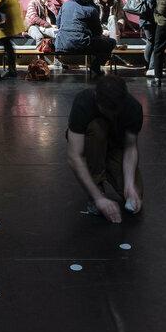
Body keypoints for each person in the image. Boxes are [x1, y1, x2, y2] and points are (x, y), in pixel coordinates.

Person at [66, 75, 143, 224]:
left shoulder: (132, 107)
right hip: (91, 145)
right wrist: (98, 198)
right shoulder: (83, 102)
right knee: (97, 127)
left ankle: (107, 168)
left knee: (136, 196)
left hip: (114, 148)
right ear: (96, 98)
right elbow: (74, 156)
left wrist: (129, 185)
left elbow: (130, 147)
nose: (111, 114)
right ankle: (97, 185)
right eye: (106, 110)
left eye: (115, 111)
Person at [55, 0, 114, 80]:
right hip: (82, 45)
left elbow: (58, 24)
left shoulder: (66, 4)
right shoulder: (92, 9)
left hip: (61, 44)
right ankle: (95, 66)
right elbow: (97, 32)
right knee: (111, 42)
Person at [25, 0, 63, 67]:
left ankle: (57, 60)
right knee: (39, 36)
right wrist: (48, 25)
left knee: (58, 34)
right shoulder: (33, 3)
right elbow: (33, 17)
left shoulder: (50, 4)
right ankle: (41, 62)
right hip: (33, 26)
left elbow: (64, 6)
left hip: (45, 26)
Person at [137, 0, 157, 75]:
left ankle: (149, 66)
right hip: (147, 17)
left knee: (151, 42)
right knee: (153, 41)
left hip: (152, 16)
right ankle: (151, 67)